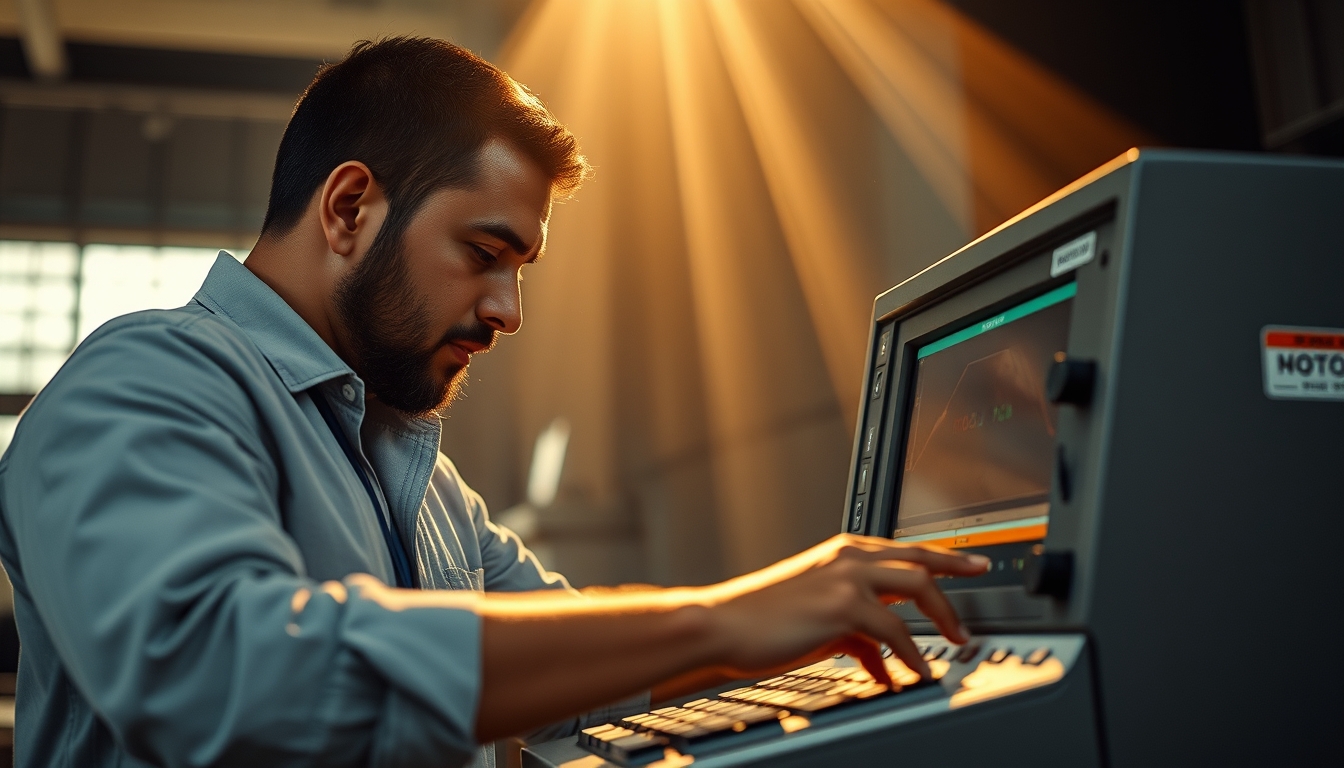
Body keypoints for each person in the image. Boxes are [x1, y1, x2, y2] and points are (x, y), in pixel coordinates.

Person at [0, 37, 989, 768]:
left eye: (522, 270)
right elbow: (230, 672)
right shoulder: (143, 385)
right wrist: (724, 618)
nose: (508, 311)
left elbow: (584, 664)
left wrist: (813, 624)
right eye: (484, 255)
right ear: (349, 209)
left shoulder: (420, 474)